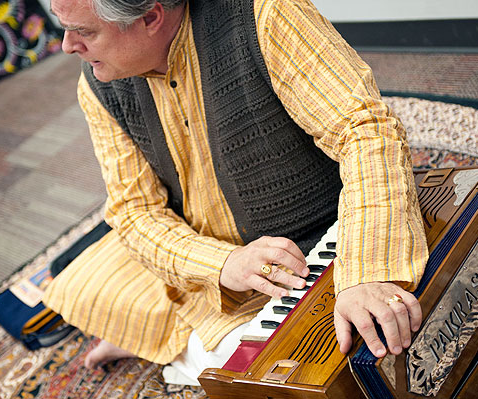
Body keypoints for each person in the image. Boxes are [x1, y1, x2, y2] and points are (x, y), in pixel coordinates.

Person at [45, 0, 428, 387]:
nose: (67, 45)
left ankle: (174, 347)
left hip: (314, 247)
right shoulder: (97, 84)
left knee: (285, 368)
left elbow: (364, 130)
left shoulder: (265, 13)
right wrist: (224, 264)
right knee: (75, 289)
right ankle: (176, 344)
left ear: (150, 17)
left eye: (85, 31)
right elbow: (134, 211)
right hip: (217, 257)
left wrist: (367, 272)